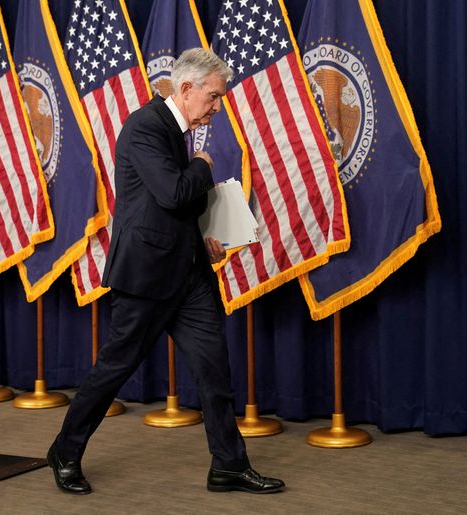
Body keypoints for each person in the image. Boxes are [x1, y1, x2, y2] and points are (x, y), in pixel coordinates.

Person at [46, 48, 284, 495]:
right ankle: (65, 449)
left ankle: (229, 465)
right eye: (213, 97)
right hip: (146, 275)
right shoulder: (145, 127)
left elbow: (172, 207)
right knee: (114, 369)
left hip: (188, 273)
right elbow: (175, 193)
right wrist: (204, 165)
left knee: (215, 369)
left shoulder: (180, 130)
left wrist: (204, 237)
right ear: (187, 88)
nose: (218, 107)